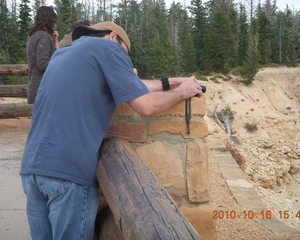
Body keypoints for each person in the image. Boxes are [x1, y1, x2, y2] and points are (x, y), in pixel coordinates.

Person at [20, 21, 203, 240]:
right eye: (125, 56)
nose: (124, 61)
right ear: (114, 37)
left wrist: (171, 82)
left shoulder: (64, 54)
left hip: (33, 169)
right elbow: (146, 105)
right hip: (68, 172)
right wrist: (182, 93)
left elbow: (129, 83)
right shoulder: (110, 48)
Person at [26, 6, 59, 104]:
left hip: (37, 86)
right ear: (50, 19)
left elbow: (56, 56)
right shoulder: (43, 37)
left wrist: (55, 41)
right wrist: (60, 67)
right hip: (42, 88)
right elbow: (42, 63)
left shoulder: (35, 35)